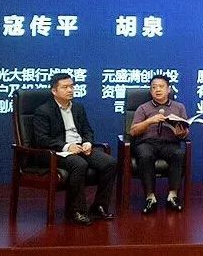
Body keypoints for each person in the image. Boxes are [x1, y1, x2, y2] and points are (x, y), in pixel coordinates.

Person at [33, 73, 116, 225]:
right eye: (65, 87)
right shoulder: (43, 111)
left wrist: (88, 142)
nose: (70, 90)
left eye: (71, 86)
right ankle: (77, 211)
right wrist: (67, 146)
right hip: (56, 152)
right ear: (54, 91)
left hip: (79, 148)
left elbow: (87, 130)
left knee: (109, 163)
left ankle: (99, 206)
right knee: (79, 164)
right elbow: (42, 139)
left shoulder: (78, 108)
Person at [129, 74, 189, 214]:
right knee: (145, 156)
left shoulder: (179, 107)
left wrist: (181, 132)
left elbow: (185, 133)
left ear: (168, 90)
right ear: (150, 91)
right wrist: (149, 121)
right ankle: (150, 198)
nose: (157, 90)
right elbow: (133, 131)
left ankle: (172, 196)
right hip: (147, 143)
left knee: (178, 154)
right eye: (154, 87)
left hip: (169, 143)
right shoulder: (143, 108)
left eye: (161, 87)